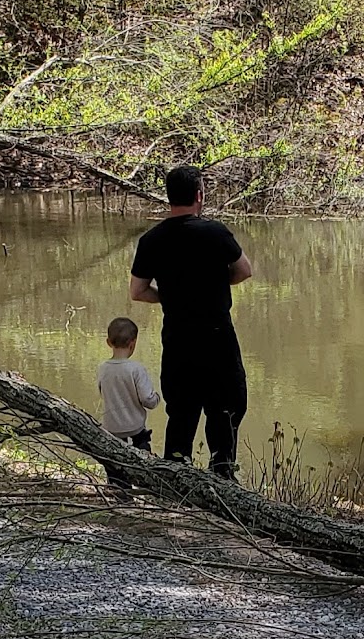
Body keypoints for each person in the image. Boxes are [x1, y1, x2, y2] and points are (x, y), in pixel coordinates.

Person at [129, 164, 253, 479]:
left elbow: (138, 291)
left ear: (169, 198)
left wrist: (171, 297)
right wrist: (215, 283)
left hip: (178, 338)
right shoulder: (216, 232)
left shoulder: (151, 240)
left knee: (181, 411)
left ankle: (175, 475)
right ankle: (222, 474)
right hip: (217, 337)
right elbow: (244, 271)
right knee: (226, 408)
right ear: (199, 195)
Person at [96, 315, 160, 494]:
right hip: (135, 428)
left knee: (115, 465)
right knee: (143, 460)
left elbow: (102, 391)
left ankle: (120, 494)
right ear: (133, 343)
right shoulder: (136, 369)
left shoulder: (103, 368)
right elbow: (147, 399)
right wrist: (157, 398)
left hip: (111, 429)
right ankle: (149, 491)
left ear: (108, 342)